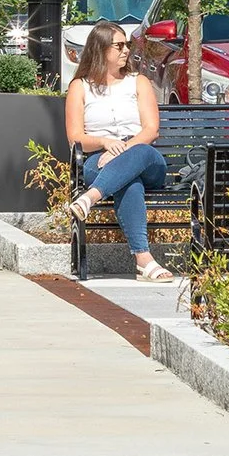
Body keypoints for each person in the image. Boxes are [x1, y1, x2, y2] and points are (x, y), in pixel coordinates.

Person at [63, 19, 173, 283]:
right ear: (100, 50)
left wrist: (122, 150)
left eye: (127, 45)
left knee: (139, 156)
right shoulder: (80, 87)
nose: (126, 50)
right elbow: (75, 138)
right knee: (128, 181)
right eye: (119, 45)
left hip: (144, 158)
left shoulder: (139, 82)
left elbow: (150, 131)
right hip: (98, 160)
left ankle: (88, 198)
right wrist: (104, 143)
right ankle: (143, 261)